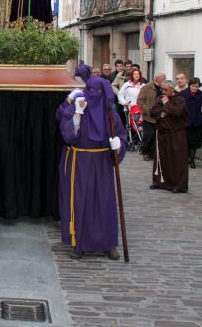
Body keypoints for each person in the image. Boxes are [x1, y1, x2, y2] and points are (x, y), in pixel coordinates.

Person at [57, 76, 127, 261]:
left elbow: (120, 133)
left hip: (102, 162)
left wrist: (118, 144)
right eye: (89, 90)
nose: (92, 95)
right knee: (81, 201)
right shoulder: (77, 106)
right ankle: (80, 243)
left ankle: (107, 243)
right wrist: (77, 115)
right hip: (80, 161)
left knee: (104, 202)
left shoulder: (110, 112)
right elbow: (68, 135)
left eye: (97, 92)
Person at [149, 81, 190, 193]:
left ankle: (178, 184)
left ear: (172, 90)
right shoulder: (160, 98)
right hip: (163, 133)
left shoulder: (179, 99)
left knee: (177, 160)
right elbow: (153, 111)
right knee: (162, 158)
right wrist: (164, 112)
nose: (163, 92)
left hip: (176, 134)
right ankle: (160, 182)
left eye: (166, 90)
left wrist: (167, 105)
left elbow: (177, 112)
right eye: (162, 89)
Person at [138, 72, 166, 161]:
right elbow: (140, 101)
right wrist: (147, 110)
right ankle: (145, 151)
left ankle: (153, 153)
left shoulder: (164, 88)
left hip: (160, 116)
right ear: (157, 79)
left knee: (156, 136)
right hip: (149, 116)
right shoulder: (147, 87)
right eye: (163, 78)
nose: (164, 80)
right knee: (149, 135)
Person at [182, 77, 202, 169]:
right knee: (186, 142)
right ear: (189, 85)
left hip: (197, 122)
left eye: (197, 86)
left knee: (194, 142)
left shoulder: (201, 94)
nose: (195, 88)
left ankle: (192, 160)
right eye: (193, 86)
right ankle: (185, 159)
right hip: (186, 122)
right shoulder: (183, 94)